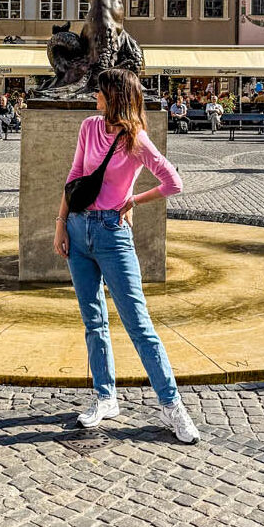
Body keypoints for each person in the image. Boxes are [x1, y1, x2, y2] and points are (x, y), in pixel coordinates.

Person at [54, 69, 199, 444]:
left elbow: (174, 183)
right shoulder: (88, 126)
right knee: (94, 321)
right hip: (77, 229)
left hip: (112, 235)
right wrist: (60, 223)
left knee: (139, 325)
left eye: (100, 92)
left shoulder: (137, 140)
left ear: (116, 95)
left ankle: (172, 406)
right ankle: (105, 397)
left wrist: (134, 199)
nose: (94, 97)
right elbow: (74, 176)